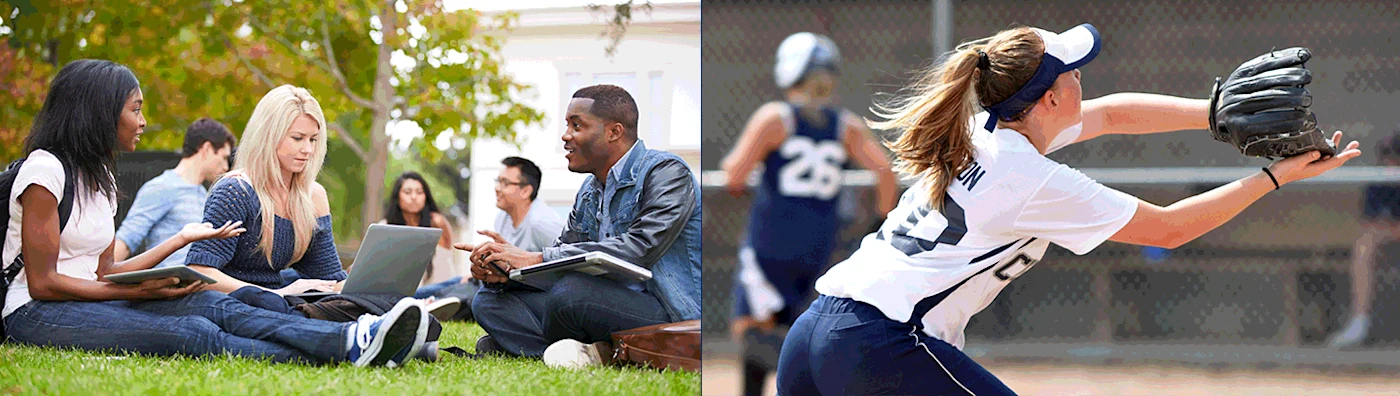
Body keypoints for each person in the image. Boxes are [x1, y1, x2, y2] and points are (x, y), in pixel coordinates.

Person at [774, 24, 1362, 395]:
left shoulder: (982, 129)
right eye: (1072, 73)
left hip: (814, 331)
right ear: (1050, 100)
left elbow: (1110, 114)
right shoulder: (1028, 177)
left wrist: (1212, 113)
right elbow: (1169, 228)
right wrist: (1274, 177)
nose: (1081, 79)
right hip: (881, 342)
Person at [2, 60, 429, 367]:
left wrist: (178, 242)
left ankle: (356, 338)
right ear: (99, 112)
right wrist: (138, 292)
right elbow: (44, 283)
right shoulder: (45, 171)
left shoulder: (101, 180)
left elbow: (106, 270)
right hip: (34, 312)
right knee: (193, 333)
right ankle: (347, 347)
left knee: (212, 305)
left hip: (87, 297)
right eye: (135, 109)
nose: (143, 121)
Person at [465, 84, 702, 368]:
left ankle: (550, 347)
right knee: (489, 300)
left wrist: (537, 258)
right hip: (599, 301)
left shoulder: (667, 172)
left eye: (576, 126)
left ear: (614, 132)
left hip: (666, 312)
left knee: (571, 294)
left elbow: (640, 248)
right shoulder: (589, 191)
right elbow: (562, 259)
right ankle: (587, 352)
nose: (565, 136)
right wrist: (509, 272)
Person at [719, 31, 898, 396]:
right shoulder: (846, 125)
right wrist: (880, 222)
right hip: (819, 246)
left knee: (752, 328)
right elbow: (884, 172)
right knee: (803, 329)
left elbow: (734, 175)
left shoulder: (775, 118)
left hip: (771, 243)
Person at [184, 85, 347, 297]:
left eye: (313, 140)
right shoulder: (235, 191)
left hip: (278, 301)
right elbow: (199, 272)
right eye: (297, 138)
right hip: (229, 304)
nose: (307, 149)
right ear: (269, 136)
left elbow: (329, 278)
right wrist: (278, 294)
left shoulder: (313, 196)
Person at [114, 117, 236, 268]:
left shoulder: (204, 195)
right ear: (207, 149)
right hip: (169, 280)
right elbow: (127, 240)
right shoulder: (162, 187)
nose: (225, 167)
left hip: (202, 278)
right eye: (223, 158)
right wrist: (100, 277)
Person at [1326, 132, 1400, 348]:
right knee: (1364, 246)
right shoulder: (1379, 182)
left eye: (1395, 157)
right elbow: (1370, 225)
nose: (1390, 163)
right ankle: (1359, 323)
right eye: (1386, 157)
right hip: (1388, 245)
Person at [382, 171, 457, 287]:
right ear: (397, 196)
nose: (414, 197)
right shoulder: (384, 227)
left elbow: (445, 264)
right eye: (407, 192)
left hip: (434, 289)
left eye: (419, 192)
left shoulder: (436, 223)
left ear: (426, 196)